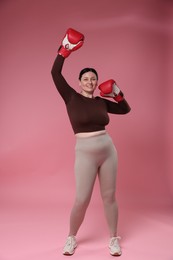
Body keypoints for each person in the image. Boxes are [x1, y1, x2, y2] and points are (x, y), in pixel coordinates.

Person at [51, 28, 131, 256]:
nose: (90, 81)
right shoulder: (71, 97)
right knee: (82, 198)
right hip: (85, 152)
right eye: (85, 78)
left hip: (107, 149)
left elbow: (125, 109)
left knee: (109, 196)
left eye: (93, 79)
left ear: (97, 83)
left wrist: (116, 92)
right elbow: (55, 74)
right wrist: (64, 50)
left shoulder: (100, 102)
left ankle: (114, 239)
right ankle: (71, 237)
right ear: (79, 82)